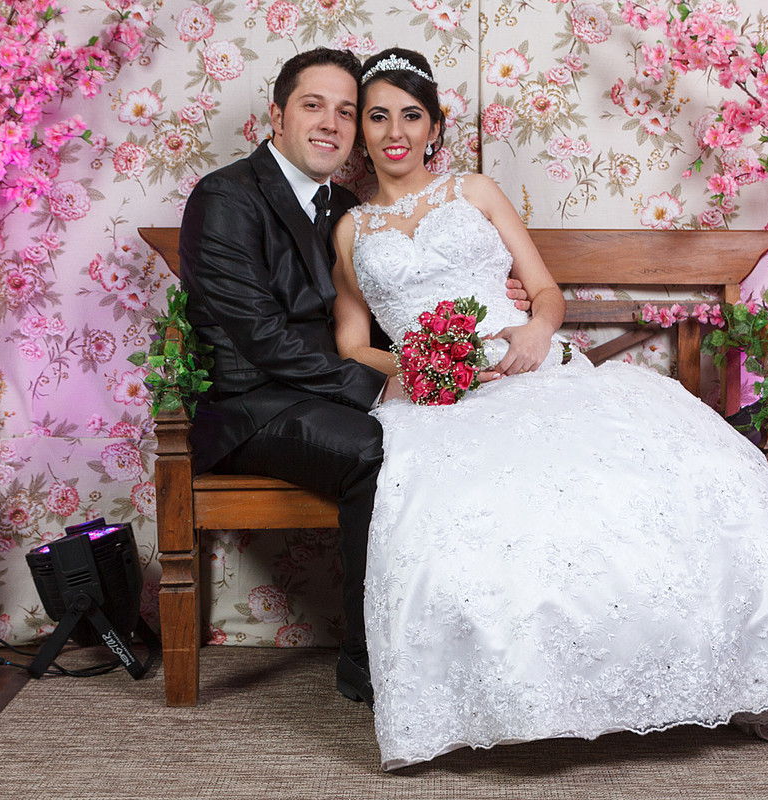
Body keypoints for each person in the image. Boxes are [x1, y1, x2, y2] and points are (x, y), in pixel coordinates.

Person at [332, 48, 768, 770]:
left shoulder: (476, 191)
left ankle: (689, 674)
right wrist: (412, 364)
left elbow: (546, 293)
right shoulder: (352, 232)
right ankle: (514, 698)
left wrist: (531, 332)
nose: (394, 131)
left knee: (694, 468)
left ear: (433, 128)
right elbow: (351, 342)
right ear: (361, 131)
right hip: (433, 397)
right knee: (468, 506)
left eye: (410, 115)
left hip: (527, 368)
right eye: (378, 116)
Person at [177, 48, 529, 709]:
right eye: (314, 106)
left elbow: (382, 308)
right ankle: (368, 662)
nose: (332, 124)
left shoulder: (343, 205)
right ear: (276, 114)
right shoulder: (226, 197)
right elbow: (260, 338)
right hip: (255, 406)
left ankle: (479, 644)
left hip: (327, 391)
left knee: (464, 438)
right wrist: (376, 386)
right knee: (385, 451)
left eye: (345, 111)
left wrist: (487, 301)